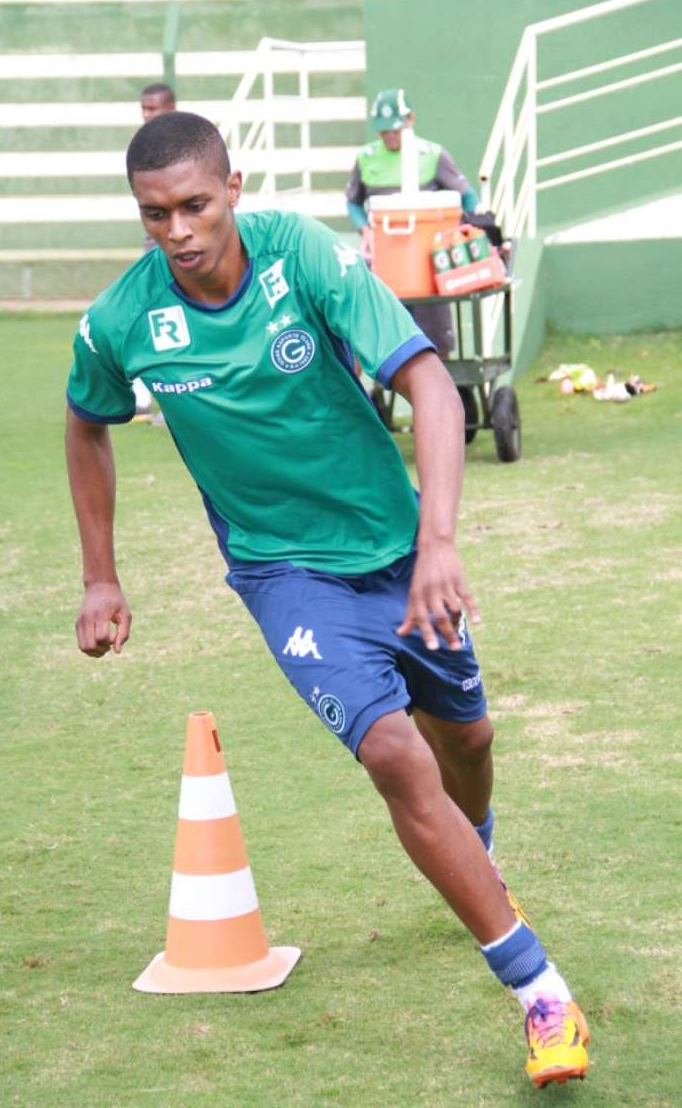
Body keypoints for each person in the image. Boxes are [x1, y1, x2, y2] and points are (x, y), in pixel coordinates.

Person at [65, 110, 590, 1089]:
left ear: (232, 186)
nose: (176, 230)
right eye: (153, 215)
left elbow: (431, 384)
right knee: (395, 752)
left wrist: (438, 542)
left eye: (193, 204)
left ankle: (474, 856)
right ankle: (542, 991)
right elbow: (85, 421)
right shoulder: (123, 320)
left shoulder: (299, 255)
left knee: (465, 741)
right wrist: (101, 570)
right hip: (284, 573)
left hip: (400, 551)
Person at [346, 88, 479, 358]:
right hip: (387, 262)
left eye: (394, 130)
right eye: (383, 132)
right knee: (385, 333)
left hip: (428, 265)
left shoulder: (433, 155)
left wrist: (464, 232)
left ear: (410, 120)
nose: (389, 137)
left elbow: (467, 197)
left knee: (434, 337)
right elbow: (353, 202)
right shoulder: (367, 158)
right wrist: (366, 229)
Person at [133, 81, 177, 416]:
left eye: (154, 109)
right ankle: (144, 394)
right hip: (154, 252)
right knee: (147, 320)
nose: (147, 115)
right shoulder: (141, 148)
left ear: (170, 109)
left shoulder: (185, 147)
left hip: (183, 253)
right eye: (144, 108)